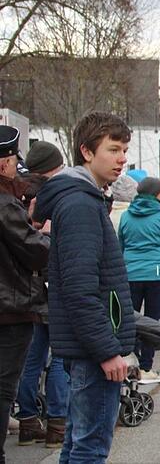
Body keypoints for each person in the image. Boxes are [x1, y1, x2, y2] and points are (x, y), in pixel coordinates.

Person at [34, 111, 137, 463]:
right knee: (90, 448)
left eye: (124, 150)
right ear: (87, 152)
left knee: (78, 444)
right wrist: (107, 350)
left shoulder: (84, 198)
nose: (121, 159)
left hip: (88, 347)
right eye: (113, 149)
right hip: (94, 351)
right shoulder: (80, 203)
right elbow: (80, 289)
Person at [0, 126, 51, 462]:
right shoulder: (5, 204)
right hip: (10, 306)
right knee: (5, 386)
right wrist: (45, 234)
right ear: (4, 162)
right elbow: (35, 252)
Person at [15, 141, 67, 448]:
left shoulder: (18, 194)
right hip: (52, 282)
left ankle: (27, 421)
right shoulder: (54, 195)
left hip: (27, 286)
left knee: (32, 357)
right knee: (60, 355)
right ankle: (57, 424)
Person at [118, 177, 160, 382]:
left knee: (130, 319)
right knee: (152, 321)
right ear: (154, 194)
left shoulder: (126, 216)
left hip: (130, 272)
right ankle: (146, 366)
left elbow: (120, 245)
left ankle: (131, 363)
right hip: (157, 272)